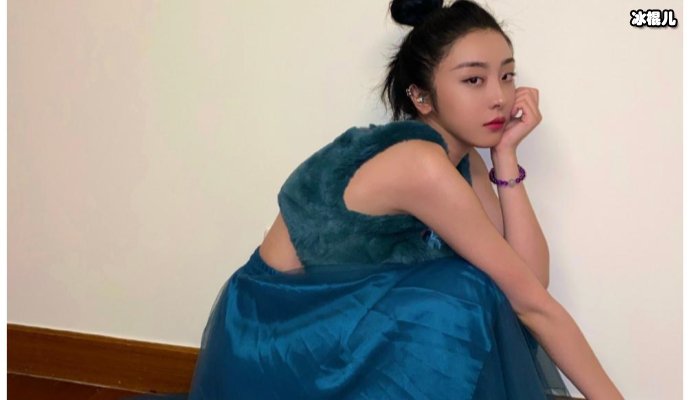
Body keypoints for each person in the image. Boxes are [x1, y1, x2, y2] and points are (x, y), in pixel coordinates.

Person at [124, 0, 624, 399]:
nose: (499, 96)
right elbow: (532, 304)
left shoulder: (460, 158)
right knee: (460, 294)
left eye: (507, 75)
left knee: (481, 288)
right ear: (421, 97)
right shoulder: (419, 165)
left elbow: (528, 281)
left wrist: (506, 158)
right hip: (274, 342)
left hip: (333, 330)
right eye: (474, 79)